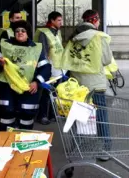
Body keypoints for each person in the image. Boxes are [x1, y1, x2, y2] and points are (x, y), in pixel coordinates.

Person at [62, 9, 112, 161]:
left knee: (78, 115)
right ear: (95, 20)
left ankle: (77, 146)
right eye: (98, 20)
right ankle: (105, 149)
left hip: (78, 86)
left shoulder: (73, 38)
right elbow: (107, 60)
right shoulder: (99, 37)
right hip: (96, 84)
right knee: (101, 116)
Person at [0, 20, 51, 131]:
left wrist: (36, 82)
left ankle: (24, 143)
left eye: (23, 31)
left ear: (28, 34)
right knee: (6, 115)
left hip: (28, 88)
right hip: (7, 88)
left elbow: (46, 68)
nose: (20, 33)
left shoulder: (35, 49)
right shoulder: (6, 46)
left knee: (27, 116)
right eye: (17, 31)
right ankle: (5, 142)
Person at [34, 11, 64, 125]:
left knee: (55, 92)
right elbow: (43, 52)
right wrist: (45, 69)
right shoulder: (44, 33)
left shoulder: (57, 32)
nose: (61, 22)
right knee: (46, 93)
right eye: (59, 20)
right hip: (48, 68)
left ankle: (52, 114)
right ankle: (42, 115)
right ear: (52, 20)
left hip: (58, 68)